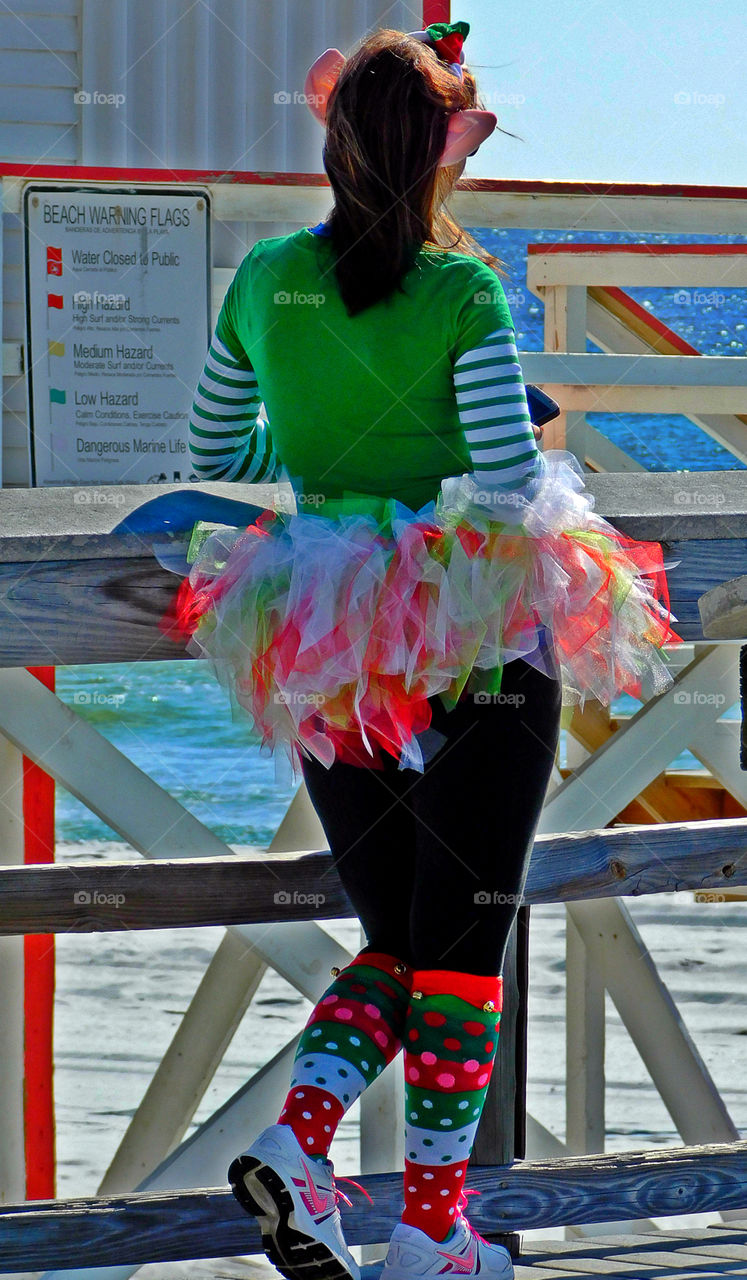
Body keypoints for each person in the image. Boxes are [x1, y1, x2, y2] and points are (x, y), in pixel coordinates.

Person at [179, 21, 681, 1280]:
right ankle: (432, 1231)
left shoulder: (264, 279)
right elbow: (508, 484)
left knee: (402, 934)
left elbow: (221, 450)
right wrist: (496, 424)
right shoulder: (462, 287)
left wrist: (327, 441)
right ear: (443, 151)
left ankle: (304, 1147)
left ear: (334, 141)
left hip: (324, 635)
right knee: (468, 936)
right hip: (470, 638)